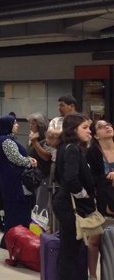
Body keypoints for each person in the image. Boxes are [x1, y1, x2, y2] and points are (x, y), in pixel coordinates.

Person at [53, 113, 99, 280]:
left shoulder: (65, 146)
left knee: (69, 249)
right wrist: (83, 194)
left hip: (64, 202)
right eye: (84, 128)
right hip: (69, 204)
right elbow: (71, 178)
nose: (89, 131)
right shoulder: (72, 149)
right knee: (70, 251)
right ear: (73, 129)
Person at [0, 115, 37, 249]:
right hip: (14, 181)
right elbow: (16, 159)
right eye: (14, 123)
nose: (17, 125)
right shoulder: (6, 141)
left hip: (10, 179)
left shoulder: (7, 139)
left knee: (15, 212)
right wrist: (30, 162)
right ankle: (14, 241)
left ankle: (13, 241)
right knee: (17, 212)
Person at [86, 119, 114, 279]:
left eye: (109, 125)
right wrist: (108, 178)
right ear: (96, 135)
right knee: (94, 240)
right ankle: (92, 275)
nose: (108, 128)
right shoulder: (92, 153)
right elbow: (91, 179)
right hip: (99, 200)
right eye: (102, 127)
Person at [27, 112, 52, 208]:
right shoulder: (34, 137)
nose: (30, 126)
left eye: (33, 124)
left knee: (40, 205)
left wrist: (35, 142)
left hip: (43, 177)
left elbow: (46, 156)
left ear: (40, 125)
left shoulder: (46, 139)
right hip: (34, 177)